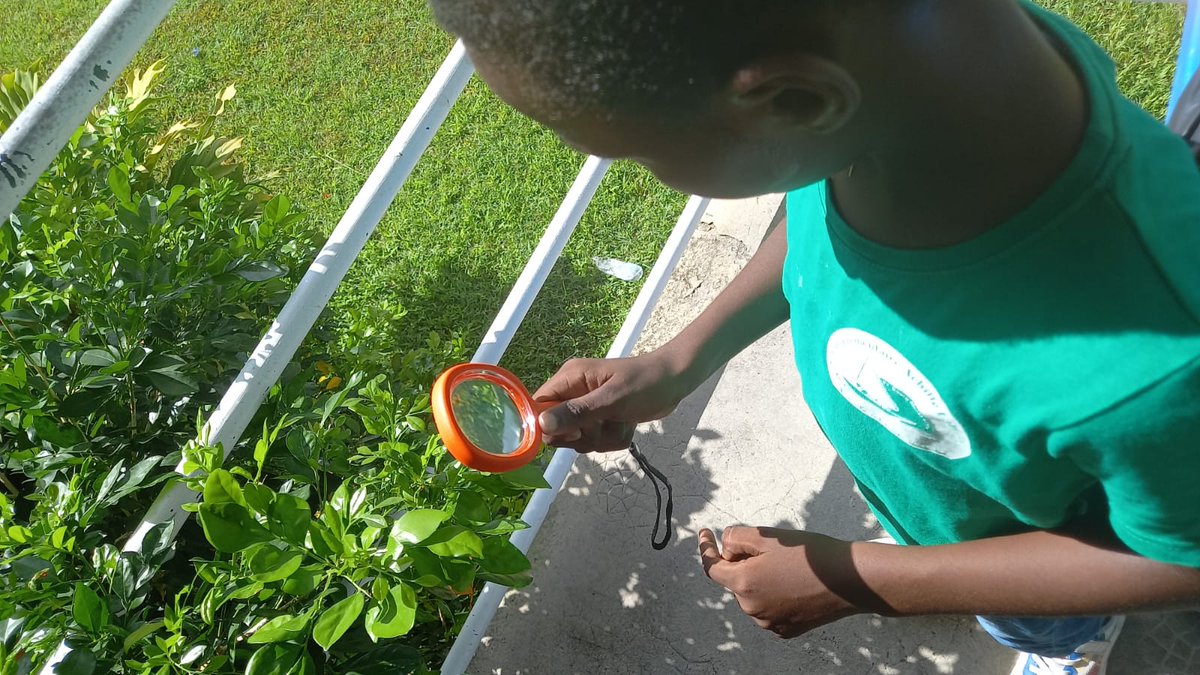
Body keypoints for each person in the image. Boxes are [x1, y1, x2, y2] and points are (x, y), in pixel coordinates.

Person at [427, 1, 1200, 672]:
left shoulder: (1160, 358)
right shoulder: (924, 77)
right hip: (951, 496)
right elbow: (817, 222)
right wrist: (681, 356)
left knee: (1041, 618)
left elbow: (1179, 557)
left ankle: (1067, 646)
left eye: (636, 152)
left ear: (794, 99)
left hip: (1041, 539)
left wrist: (869, 580)